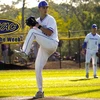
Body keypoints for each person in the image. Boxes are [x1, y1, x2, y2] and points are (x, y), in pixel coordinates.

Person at [14, 0, 59, 99]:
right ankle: (40, 91)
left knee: (33, 32)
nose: (45, 9)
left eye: (47, 7)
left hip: (52, 43)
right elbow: (33, 34)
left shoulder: (51, 19)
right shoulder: (38, 20)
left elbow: (49, 33)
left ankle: (25, 52)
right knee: (37, 67)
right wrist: (31, 25)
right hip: (44, 47)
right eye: (43, 7)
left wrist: (36, 26)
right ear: (39, 9)